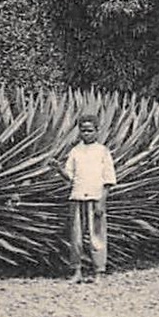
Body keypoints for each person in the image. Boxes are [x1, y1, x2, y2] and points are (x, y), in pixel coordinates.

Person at [54, 114, 117, 284]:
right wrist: (59, 169)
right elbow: (70, 177)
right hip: (77, 197)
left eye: (90, 130)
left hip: (95, 198)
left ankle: (98, 272)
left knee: (97, 236)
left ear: (97, 131)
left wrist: (101, 203)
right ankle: (77, 271)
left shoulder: (103, 151)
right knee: (76, 237)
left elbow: (108, 180)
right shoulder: (75, 151)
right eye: (83, 130)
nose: (86, 133)